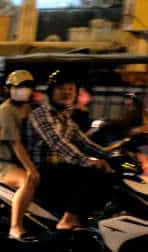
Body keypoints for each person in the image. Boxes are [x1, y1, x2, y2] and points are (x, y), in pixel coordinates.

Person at [27, 70, 114, 232]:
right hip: (44, 171)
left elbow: (85, 143)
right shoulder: (41, 114)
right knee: (91, 173)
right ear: (51, 91)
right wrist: (88, 161)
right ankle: (68, 220)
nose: (66, 92)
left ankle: (88, 219)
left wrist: (113, 155)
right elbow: (57, 142)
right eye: (61, 88)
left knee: (110, 176)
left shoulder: (65, 118)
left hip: (61, 169)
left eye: (70, 90)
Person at [0, 70, 40, 242]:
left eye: (25, 87)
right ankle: (16, 227)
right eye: (16, 87)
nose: (20, 90)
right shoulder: (6, 111)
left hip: (14, 161)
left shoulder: (27, 108)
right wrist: (31, 169)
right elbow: (15, 144)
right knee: (27, 180)